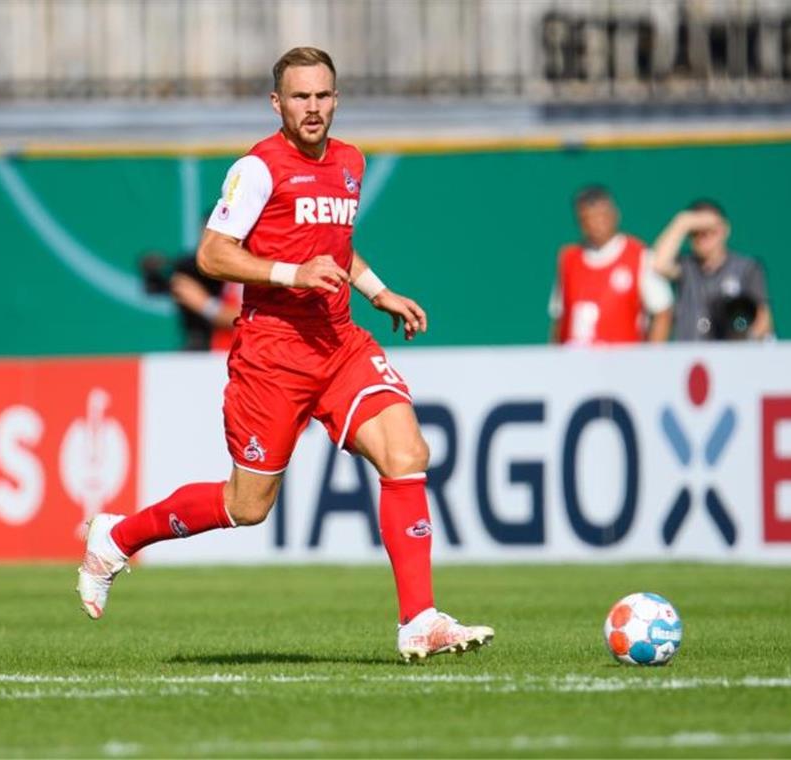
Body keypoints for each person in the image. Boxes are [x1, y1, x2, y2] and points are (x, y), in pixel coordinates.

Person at [77, 47, 493, 662]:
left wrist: (379, 293)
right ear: (278, 103)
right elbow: (215, 253)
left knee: (406, 451)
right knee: (247, 506)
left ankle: (419, 620)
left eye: (323, 95)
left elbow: (337, 248)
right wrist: (291, 273)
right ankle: (117, 536)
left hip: (339, 341)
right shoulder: (260, 168)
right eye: (300, 97)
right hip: (272, 353)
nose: (313, 108)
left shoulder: (350, 162)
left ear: (337, 98)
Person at [548, 186, 674, 345]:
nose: (596, 224)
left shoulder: (639, 256)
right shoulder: (568, 259)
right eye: (588, 219)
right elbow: (559, 318)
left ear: (615, 215)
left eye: (601, 216)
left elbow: (662, 312)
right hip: (575, 364)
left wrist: (651, 360)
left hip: (623, 365)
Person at [651, 199, 774, 341]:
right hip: (690, 357)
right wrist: (683, 222)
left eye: (710, 231)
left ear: (725, 230)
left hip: (731, 355)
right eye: (696, 232)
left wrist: (742, 336)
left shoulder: (747, 268)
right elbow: (658, 264)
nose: (703, 237)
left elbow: (763, 321)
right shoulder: (685, 266)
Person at [170, 274, 243, 352]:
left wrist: (204, 304)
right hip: (223, 353)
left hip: (242, 355)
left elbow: (252, 318)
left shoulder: (252, 270)